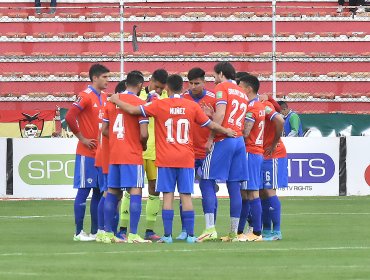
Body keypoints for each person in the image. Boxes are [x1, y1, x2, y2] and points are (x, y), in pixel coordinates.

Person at [110, 74, 236, 244]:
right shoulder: (191, 106)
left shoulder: (159, 104)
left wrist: (116, 100)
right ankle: (191, 235)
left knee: (167, 196)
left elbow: (132, 110)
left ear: (167, 88)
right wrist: (226, 131)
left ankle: (167, 236)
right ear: (183, 88)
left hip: (166, 158)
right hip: (186, 158)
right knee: (186, 196)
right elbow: (209, 124)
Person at [117, 69, 168, 241]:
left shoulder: (166, 97)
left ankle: (149, 230)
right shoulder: (138, 95)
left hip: (156, 151)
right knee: (130, 190)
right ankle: (123, 228)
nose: (159, 91)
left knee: (154, 190)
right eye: (157, 86)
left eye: (162, 88)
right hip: (137, 149)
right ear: (150, 80)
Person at [200, 62, 249, 242]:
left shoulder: (222, 87)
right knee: (234, 186)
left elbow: (221, 115)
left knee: (206, 179)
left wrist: (211, 137)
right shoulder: (242, 92)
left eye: (214, 76)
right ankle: (233, 233)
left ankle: (210, 227)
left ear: (221, 73)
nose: (214, 80)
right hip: (239, 141)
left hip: (224, 139)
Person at [101, 71, 151, 244]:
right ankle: (134, 234)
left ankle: (107, 233)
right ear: (139, 85)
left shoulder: (110, 102)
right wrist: (142, 145)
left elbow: (104, 129)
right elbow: (144, 134)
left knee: (112, 192)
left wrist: (117, 140)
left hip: (115, 154)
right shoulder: (140, 103)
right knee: (135, 190)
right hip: (132, 154)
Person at [65, 64, 109, 241]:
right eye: (105, 77)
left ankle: (95, 231)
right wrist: (82, 138)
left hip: (101, 154)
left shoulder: (106, 97)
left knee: (99, 192)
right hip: (87, 153)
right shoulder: (85, 96)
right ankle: (78, 232)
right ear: (95, 78)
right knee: (84, 191)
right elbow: (69, 116)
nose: (108, 80)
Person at [236, 74, 282, 242]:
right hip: (255, 153)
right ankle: (241, 231)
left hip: (250, 152)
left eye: (240, 86)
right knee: (248, 193)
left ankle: (256, 233)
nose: (237, 90)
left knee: (252, 193)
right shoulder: (259, 106)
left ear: (248, 89)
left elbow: (246, 133)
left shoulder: (252, 108)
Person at [176, 67, 218, 241]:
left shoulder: (213, 99)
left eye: (197, 83)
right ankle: (185, 229)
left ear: (204, 82)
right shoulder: (183, 98)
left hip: (208, 150)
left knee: (207, 187)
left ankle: (210, 227)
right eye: (191, 83)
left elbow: (219, 121)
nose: (194, 86)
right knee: (185, 190)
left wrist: (210, 137)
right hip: (187, 151)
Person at [95, 81, 126, 243]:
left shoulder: (107, 107)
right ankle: (104, 230)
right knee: (110, 193)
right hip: (109, 156)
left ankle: (106, 230)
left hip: (105, 155)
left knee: (111, 194)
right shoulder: (115, 108)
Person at [261, 98, 287, 241]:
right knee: (262, 192)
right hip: (261, 154)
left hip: (273, 154)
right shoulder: (253, 104)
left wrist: (275, 142)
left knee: (269, 190)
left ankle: (276, 231)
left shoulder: (264, 105)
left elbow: (279, 119)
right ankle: (266, 229)